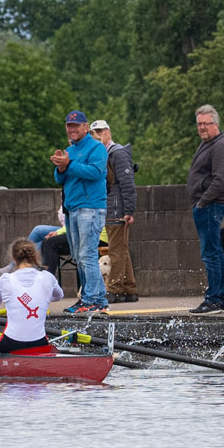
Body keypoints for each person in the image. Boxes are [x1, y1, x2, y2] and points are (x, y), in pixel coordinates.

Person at [48, 110, 109, 314]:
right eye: (69, 126)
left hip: (90, 207)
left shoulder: (97, 148)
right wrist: (61, 167)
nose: (72, 129)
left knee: (87, 255)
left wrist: (69, 165)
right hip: (72, 209)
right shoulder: (69, 150)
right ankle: (98, 298)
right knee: (78, 255)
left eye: (76, 125)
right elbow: (59, 179)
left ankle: (90, 299)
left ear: (86, 127)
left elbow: (95, 172)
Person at [187, 104, 224, 314]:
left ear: (215, 124)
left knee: (210, 253)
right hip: (207, 205)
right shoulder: (208, 144)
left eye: (205, 124)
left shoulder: (220, 147)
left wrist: (202, 202)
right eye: (199, 124)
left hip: (210, 205)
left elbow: (220, 181)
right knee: (215, 252)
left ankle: (214, 298)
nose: (201, 128)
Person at [89, 119, 138, 304]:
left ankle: (115, 288)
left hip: (117, 208)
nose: (99, 135)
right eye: (96, 132)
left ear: (109, 131)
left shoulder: (116, 153)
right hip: (112, 207)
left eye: (101, 131)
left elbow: (127, 183)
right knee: (121, 250)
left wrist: (129, 209)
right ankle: (129, 288)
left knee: (117, 251)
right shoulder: (107, 153)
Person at [0, 238, 63, 354]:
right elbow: (59, 296)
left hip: (11, 343)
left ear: (13, 259)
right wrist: (44, 297)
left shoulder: (5, 279)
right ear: (34, 257)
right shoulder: (47, 277)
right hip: (39, 343)